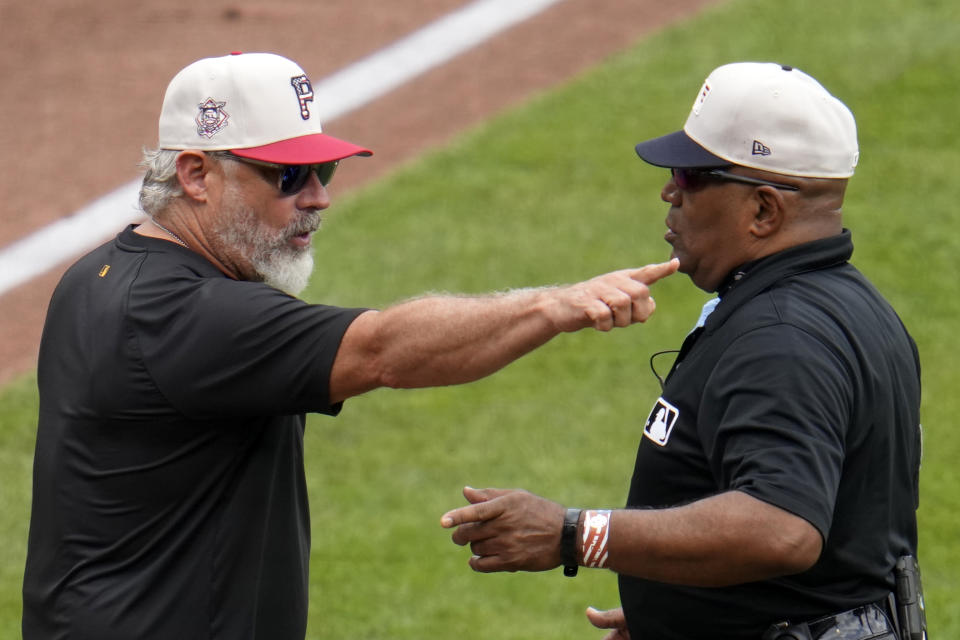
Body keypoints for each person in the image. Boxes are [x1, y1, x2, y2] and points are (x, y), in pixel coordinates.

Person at [21, 52, 678, 640]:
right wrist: (553, 304)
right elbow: (383, 351)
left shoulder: (97, 276)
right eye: (289, 175)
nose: (320, 197)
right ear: (195, 174)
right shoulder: (193, 315)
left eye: (324, 169)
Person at [440, 62, 923, 640]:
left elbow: (782, 528)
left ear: (764, 209)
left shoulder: (782, 338)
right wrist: (681, 613)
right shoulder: (853, 304)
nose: (670, 190)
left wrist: (574, 533)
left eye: (692, 176)